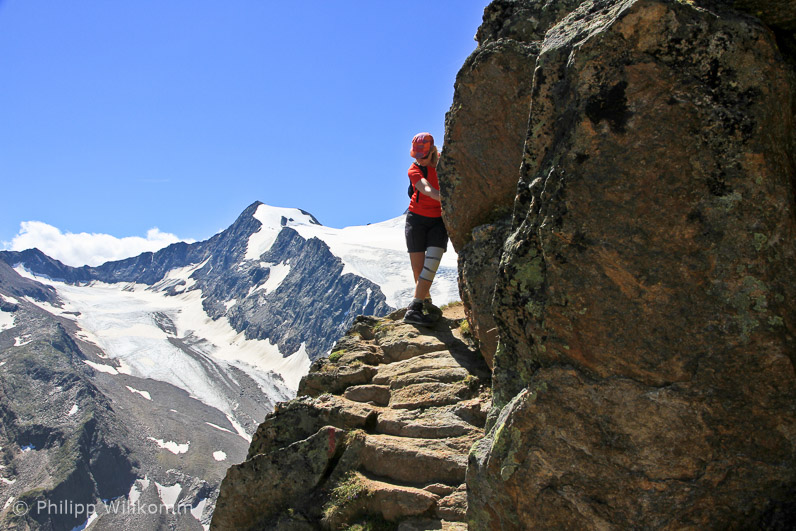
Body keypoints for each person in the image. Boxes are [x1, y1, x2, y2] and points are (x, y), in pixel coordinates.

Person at [403, 132, 448, 325]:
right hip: (416, 221)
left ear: (432, 152)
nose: (418, 159)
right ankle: (425, 304)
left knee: (430, 266)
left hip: (438, 221)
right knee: (418, 269)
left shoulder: (445, 162)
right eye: (416, 156)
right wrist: (447, 197)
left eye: (422, 156)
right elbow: (426, 189)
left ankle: (414, 309)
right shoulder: (414, 170)